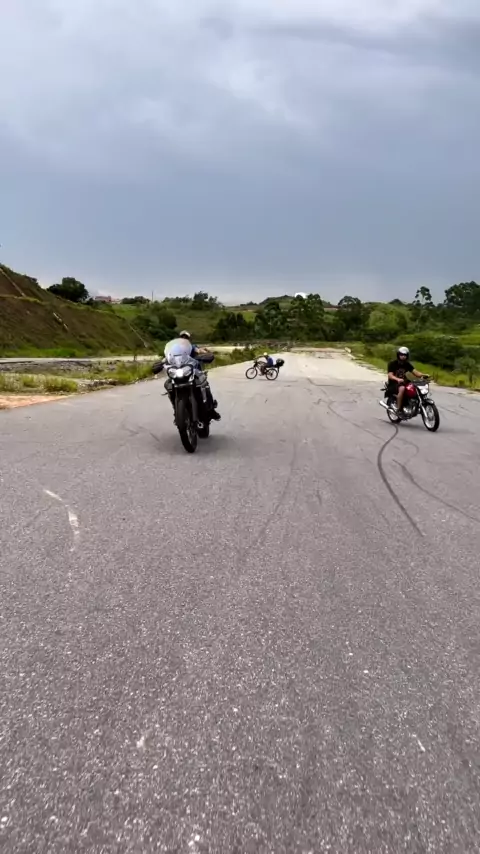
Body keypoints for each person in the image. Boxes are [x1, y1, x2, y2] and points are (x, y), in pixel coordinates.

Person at [164, 331, 221, 420]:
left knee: (204, 384)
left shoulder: (192, 347)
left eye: (186, 337)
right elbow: (168, 356)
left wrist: (205, 352)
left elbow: (198, 350)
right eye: (182, 337)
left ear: (189, 339)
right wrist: (162, 362)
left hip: (193, 371)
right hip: (178, 372)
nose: (184, 338)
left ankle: (211, 409)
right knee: (168, 385)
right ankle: (177, 410)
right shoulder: (175, 348)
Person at [387, 346, 425, 416]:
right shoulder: (392, 363)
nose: (403, 356)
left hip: (403, 382)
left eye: (405, 355)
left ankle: (412, 404)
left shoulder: (407, 364)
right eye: (401, 355)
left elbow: (415, 372)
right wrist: (397, 379)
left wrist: (423, 375)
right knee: (402, 388)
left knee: (415, 388)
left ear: (407, 356)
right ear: (398, 355)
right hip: (394, 383)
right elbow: (390, 375)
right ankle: (399, 409)